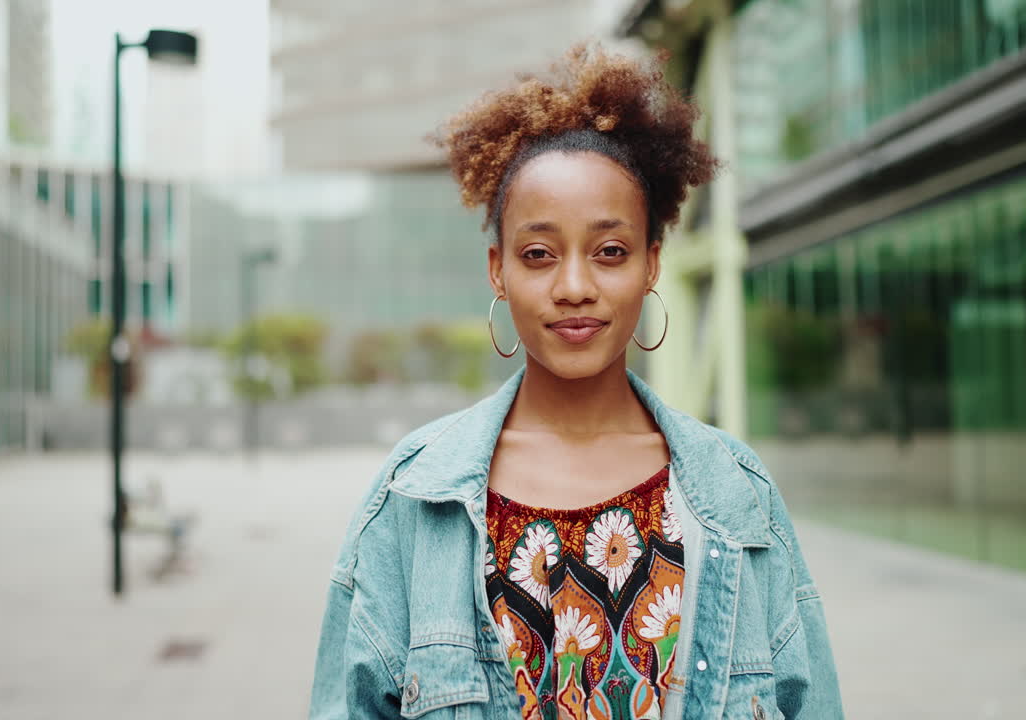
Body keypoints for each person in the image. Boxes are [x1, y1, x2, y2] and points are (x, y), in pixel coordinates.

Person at [308, 44, 842, 720]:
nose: (574, 287)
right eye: (539, 255)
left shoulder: (737, 494)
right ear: (498, 270)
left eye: (610, 252)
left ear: (651, 264)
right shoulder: (414, 498)